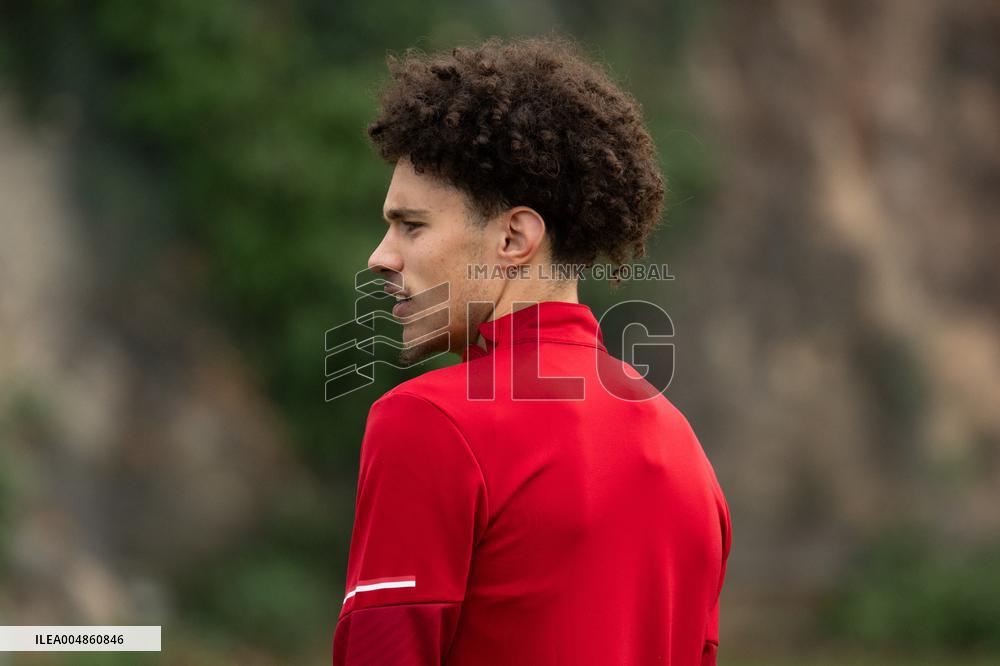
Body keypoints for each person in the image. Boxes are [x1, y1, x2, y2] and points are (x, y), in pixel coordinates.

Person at [333, 35, 731, 665]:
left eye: (411, 225)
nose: (381, 256)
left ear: (515, 236)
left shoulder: (429, 421)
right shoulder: (685, 452)